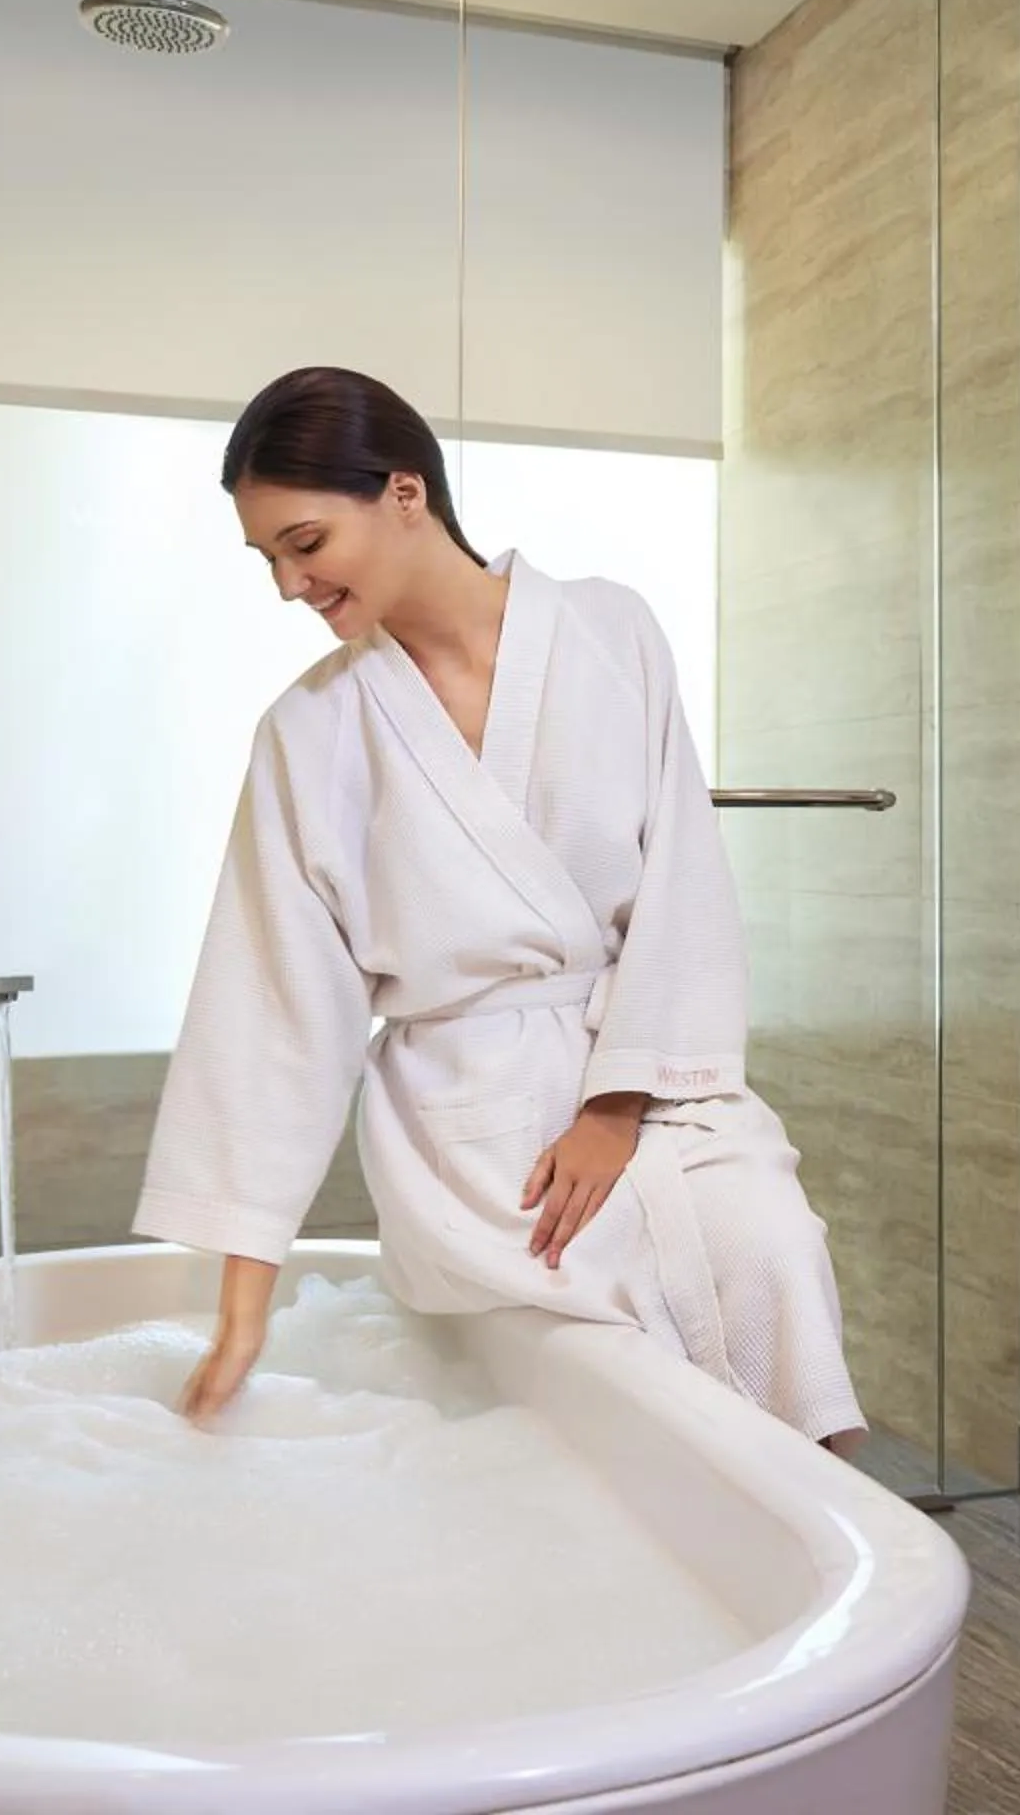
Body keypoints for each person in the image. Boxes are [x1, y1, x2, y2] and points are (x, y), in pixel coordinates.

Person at [134, 365, 867, 1454]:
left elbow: (683, 883)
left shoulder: (612, 632)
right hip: (471, 1133)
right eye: (268, 560)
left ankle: (824, 1587)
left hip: (650, 1080)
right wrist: (245, 1305)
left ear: (403, 491)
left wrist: (616, 1107)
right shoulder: (308, 732)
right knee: (606, 1372)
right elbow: (272, 1009)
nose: (289, 585)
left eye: (304, 542)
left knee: (770, 1248)